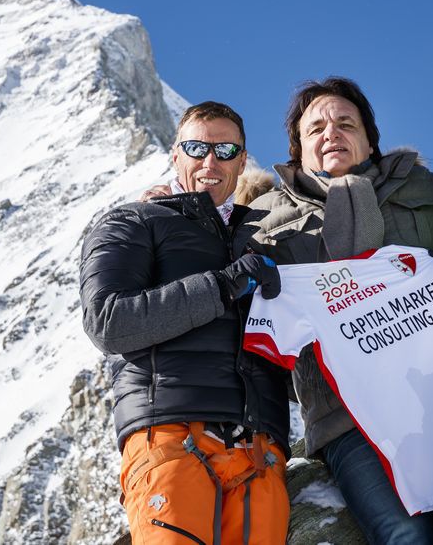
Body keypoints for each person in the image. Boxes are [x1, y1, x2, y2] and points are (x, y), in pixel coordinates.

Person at [248, 77, 433, 544]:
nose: (331, 133)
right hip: (346, 417)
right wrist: (163, 207)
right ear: (297, 148)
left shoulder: (429, 190)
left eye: (346, 123)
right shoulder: (260, 220)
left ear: (370, 138)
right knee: (406, 536)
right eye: (316, 128)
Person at [79, 101, 291, 545]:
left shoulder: (270, 234)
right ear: (175, 154)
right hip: (170, 434)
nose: (210, 161)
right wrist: (223, 285)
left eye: (226, 150)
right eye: (196, 147)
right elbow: (109, 322)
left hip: (258, 448)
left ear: (243, 159)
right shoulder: (133, 221)